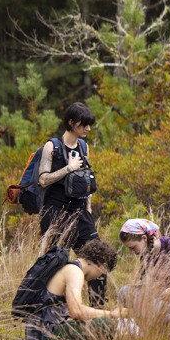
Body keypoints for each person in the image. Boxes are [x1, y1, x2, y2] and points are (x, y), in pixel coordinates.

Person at [37, 102, 105, 305]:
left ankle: (98, 306)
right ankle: (55, 308)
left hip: (80, 213)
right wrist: (68, 168)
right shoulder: (52, 146)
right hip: (55, 213)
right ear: (71, 122)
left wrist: (89, 208)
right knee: (56, 262)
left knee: (98, 258)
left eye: (89, 124)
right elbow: (43, 179)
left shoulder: (84, 146)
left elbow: (86, 178)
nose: (88, 128)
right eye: (84, 124)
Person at [22, 239, 124, 340]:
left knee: (95, 321)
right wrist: (111, 313)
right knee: (107, 323)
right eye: (101, 274)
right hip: (47, 337)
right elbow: (76, 311)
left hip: (38, 334)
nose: (97, 278)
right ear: (101, 266)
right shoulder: (75, 272)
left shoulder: (66, 266)